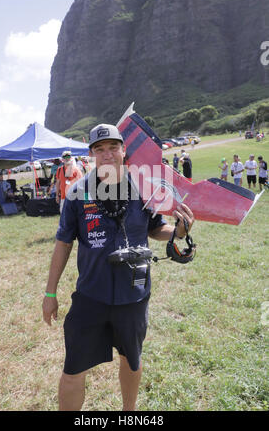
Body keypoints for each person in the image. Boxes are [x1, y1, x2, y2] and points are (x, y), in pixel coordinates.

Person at [42, 123, 194, 411]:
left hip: (133, 296)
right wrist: (50, 293)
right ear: (91, 154)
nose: (107, 154)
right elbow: (63, 243)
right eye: (100, 149)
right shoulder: (77, 192)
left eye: (113, 147)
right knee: (73, 368)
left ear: (124, 151)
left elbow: (156, 228)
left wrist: (179, 232)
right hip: (91, 295)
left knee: (131, 359)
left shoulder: (143, 187)